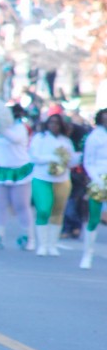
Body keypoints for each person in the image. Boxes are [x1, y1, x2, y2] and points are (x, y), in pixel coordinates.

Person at [0, 104, 35, 250]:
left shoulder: (20, 128)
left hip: (19, 170)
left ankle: (28, 237)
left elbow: (15, 139)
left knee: (21, 205)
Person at [29, 113, 79, 256]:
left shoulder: (66, 141)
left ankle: (52, 244)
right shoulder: (40, 138)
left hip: (62, 179)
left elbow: (71, 161)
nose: (54, 126)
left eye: (57, 123)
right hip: (42, 177)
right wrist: (52, 158)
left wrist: (76, 158)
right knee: (44, 209)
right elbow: (33, 156)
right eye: (51, 123)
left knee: (58, 212)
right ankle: (42, 244)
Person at [80, 109, 107, 268]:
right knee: (94, 218)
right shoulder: (94, 137)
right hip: (99, 181)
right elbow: (88, 161)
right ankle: (87, 254)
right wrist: (97, 179)